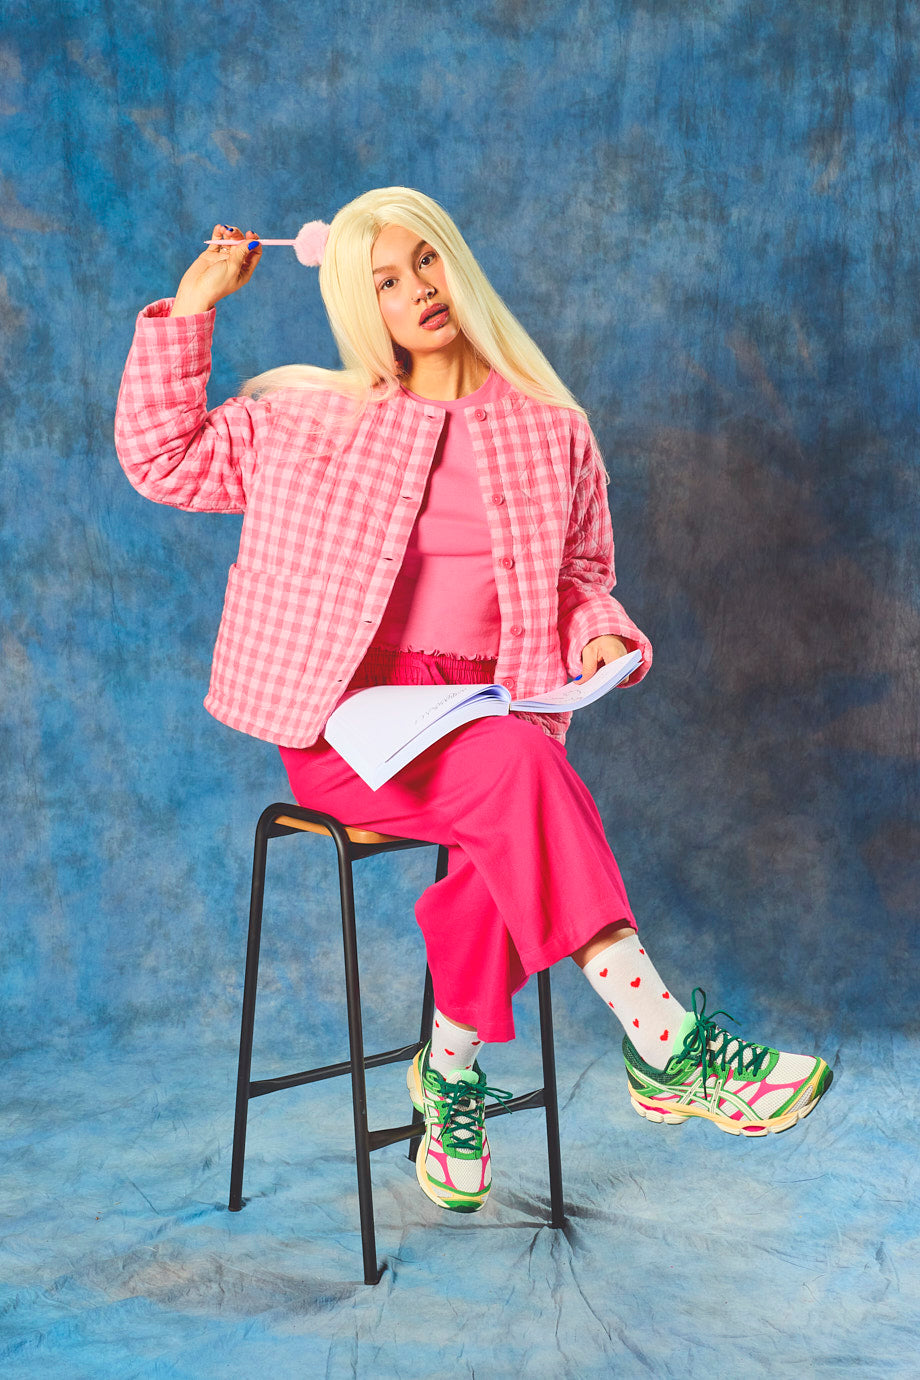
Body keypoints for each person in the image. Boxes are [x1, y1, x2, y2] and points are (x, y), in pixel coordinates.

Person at [115, 187, 831, 1216]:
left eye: (426, 260)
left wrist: (597, 631)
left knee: (515, 794)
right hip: (344, 729)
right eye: (385, 281)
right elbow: (161, 458)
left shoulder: (551, 430)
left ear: (456, 261)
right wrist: (194, 304)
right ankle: (666, 1046)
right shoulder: (311, 421)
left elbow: (582, 574)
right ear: (361, 306)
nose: (417, 289)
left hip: (486, 715)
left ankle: (448, 1073)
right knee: (524, 778)